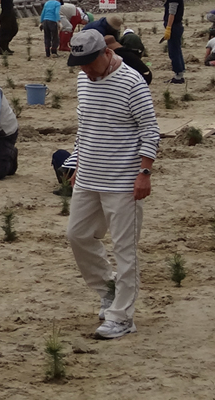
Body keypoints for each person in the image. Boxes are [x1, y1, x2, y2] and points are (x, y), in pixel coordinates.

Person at [60, 29, 159, 340]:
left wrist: (145, 172)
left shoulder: (132, 83)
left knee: (125, 249)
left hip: (123, 181)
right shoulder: (83, 80)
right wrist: (77, 161)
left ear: (106, 53)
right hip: (89, 176)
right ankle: (107, 289)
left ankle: (122, 316)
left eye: (90, 64)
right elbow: (85, 124)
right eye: (80, 65)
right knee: (77, 235)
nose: (86, 71)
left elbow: (150, 131)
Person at [162, 0, 186, 84]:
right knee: (177, 49)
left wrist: (168, 27)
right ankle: (180, 72)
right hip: (177, 26)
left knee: (174, 51)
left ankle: (178, 75)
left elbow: (172, 13)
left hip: (174, 26)